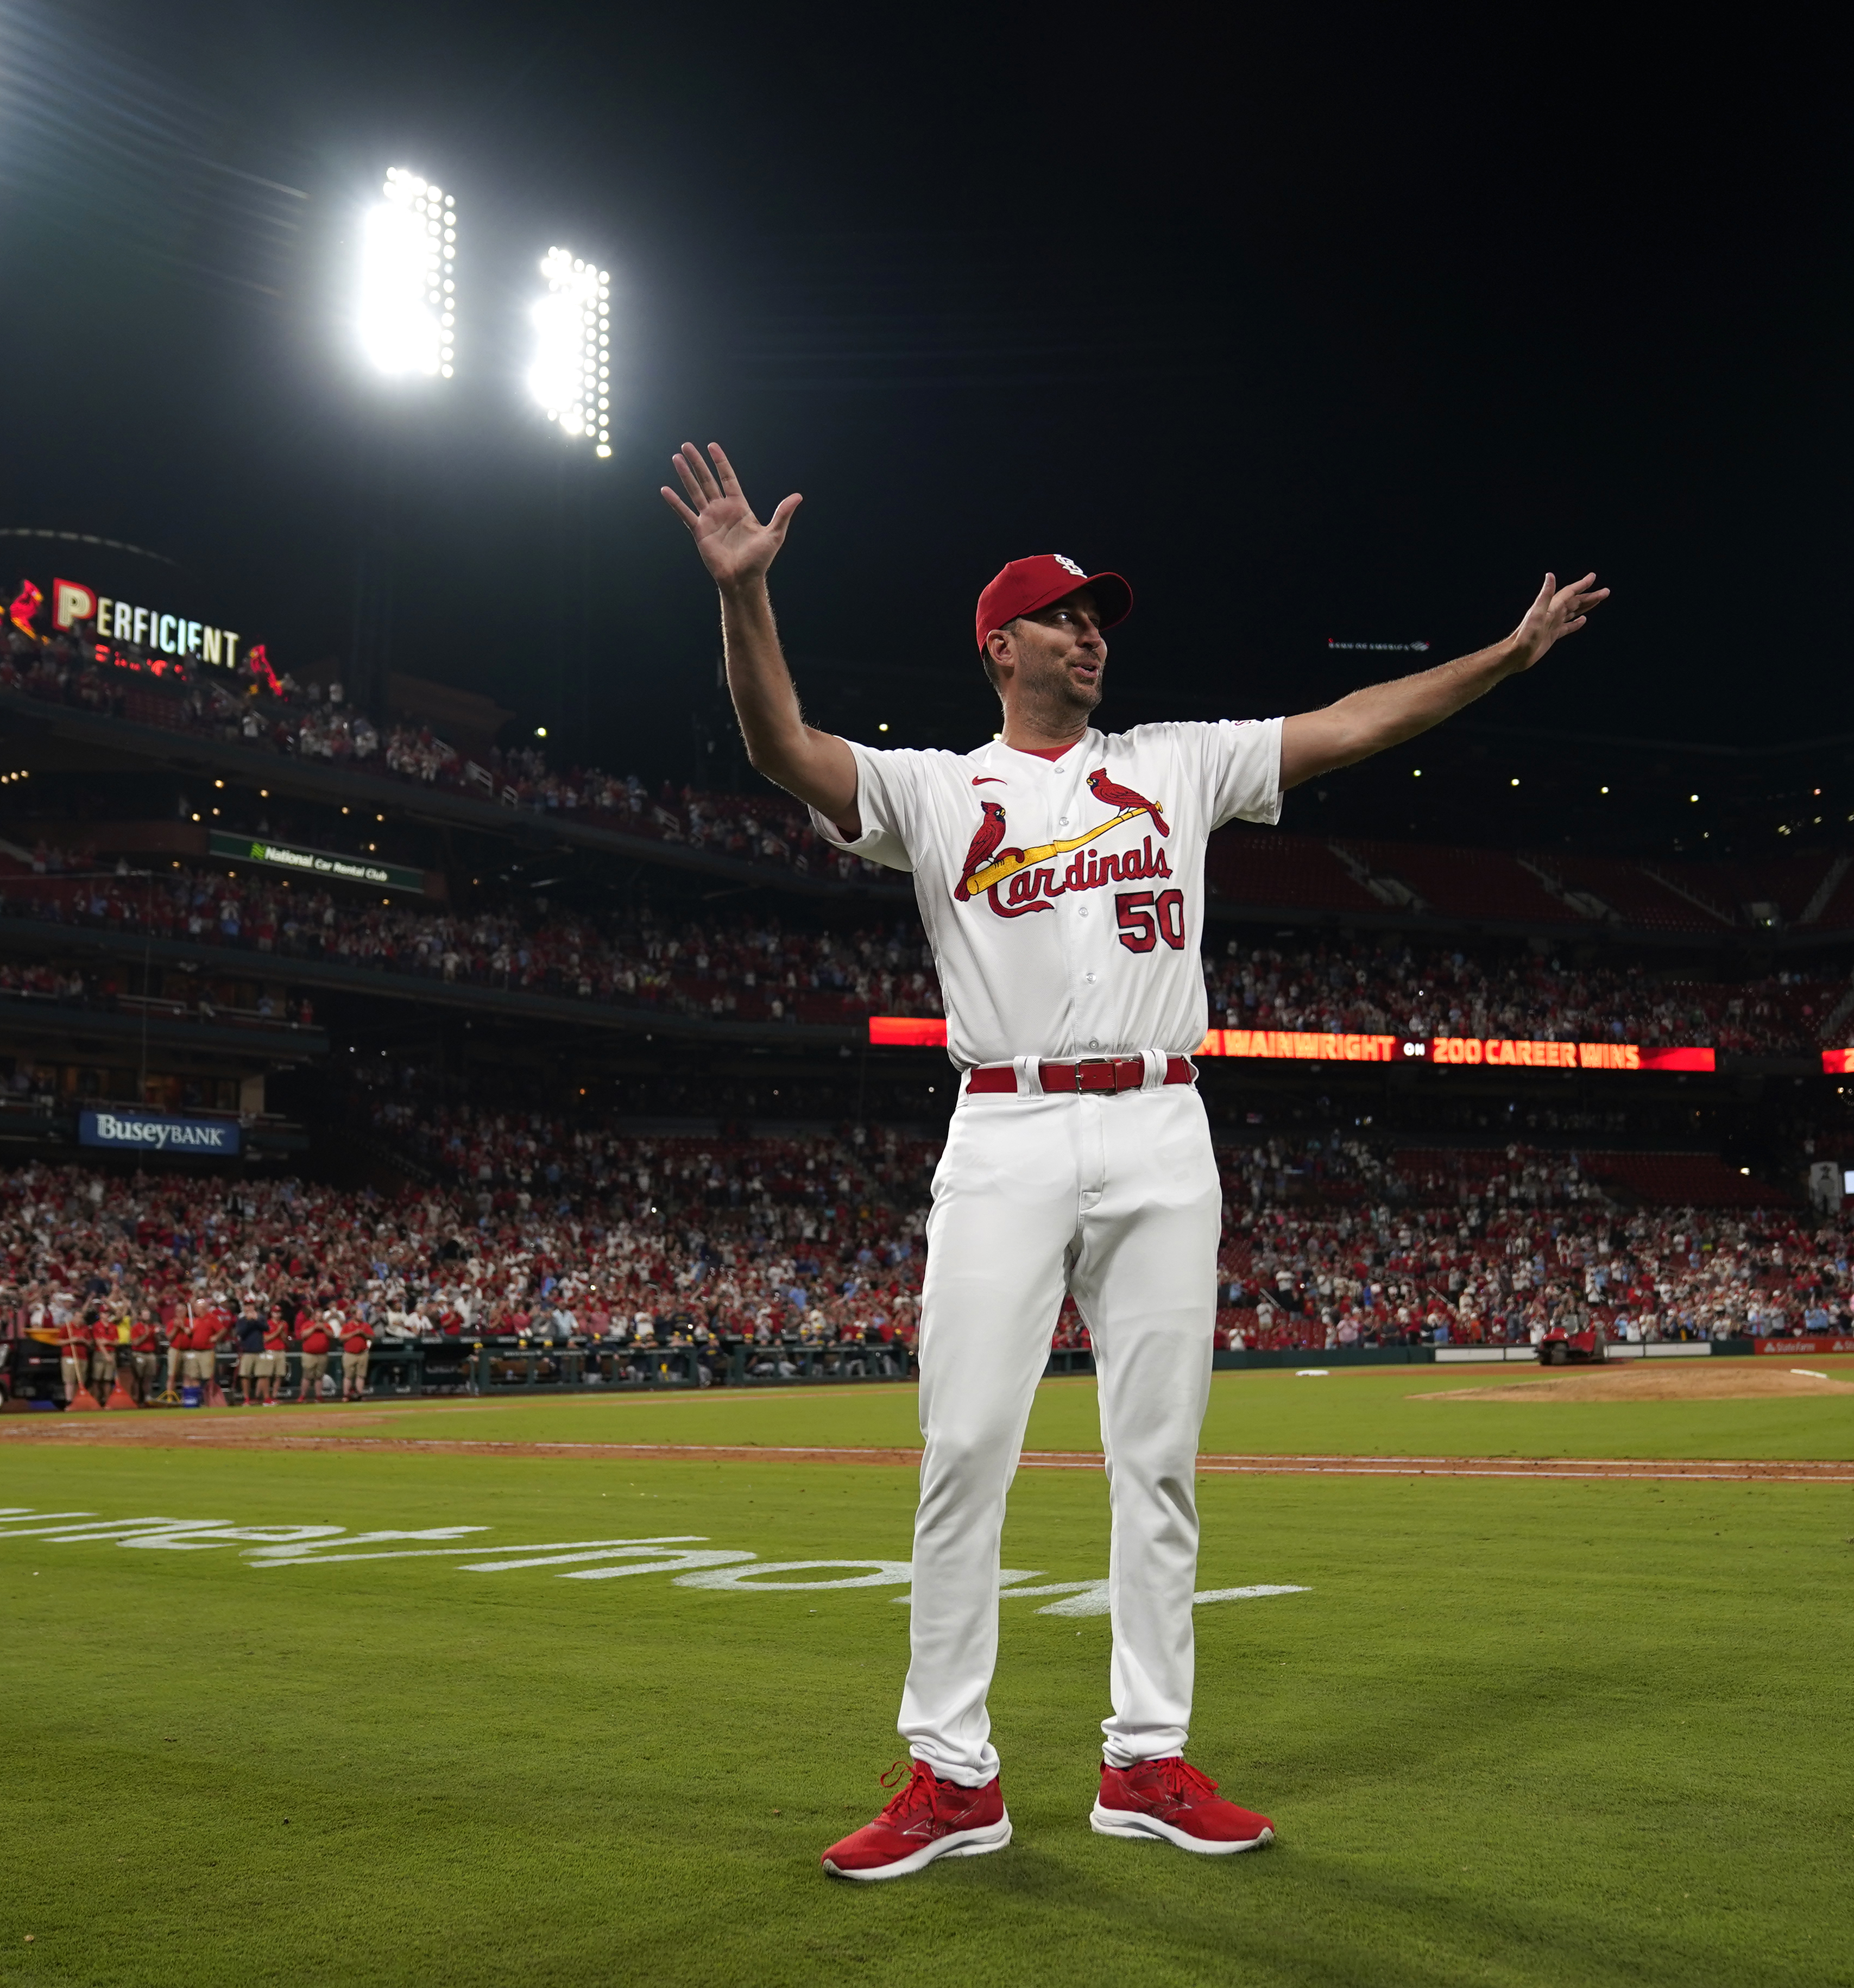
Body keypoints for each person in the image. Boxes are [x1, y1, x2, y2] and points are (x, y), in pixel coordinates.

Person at [661, 441, 1606, 1880]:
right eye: (1062, 615)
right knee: (965, 1452)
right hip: (1008, 1122)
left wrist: (1509, 655)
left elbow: (1352, 723)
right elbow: (779, 748)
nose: (1092, 630)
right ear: (1001, 647)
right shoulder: (932, 791)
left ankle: (1143, 1761)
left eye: (1099, 615)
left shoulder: (1171, 765)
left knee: (1154, 1464)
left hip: (1165, 1122)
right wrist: (743, 600)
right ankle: (950, 1775)